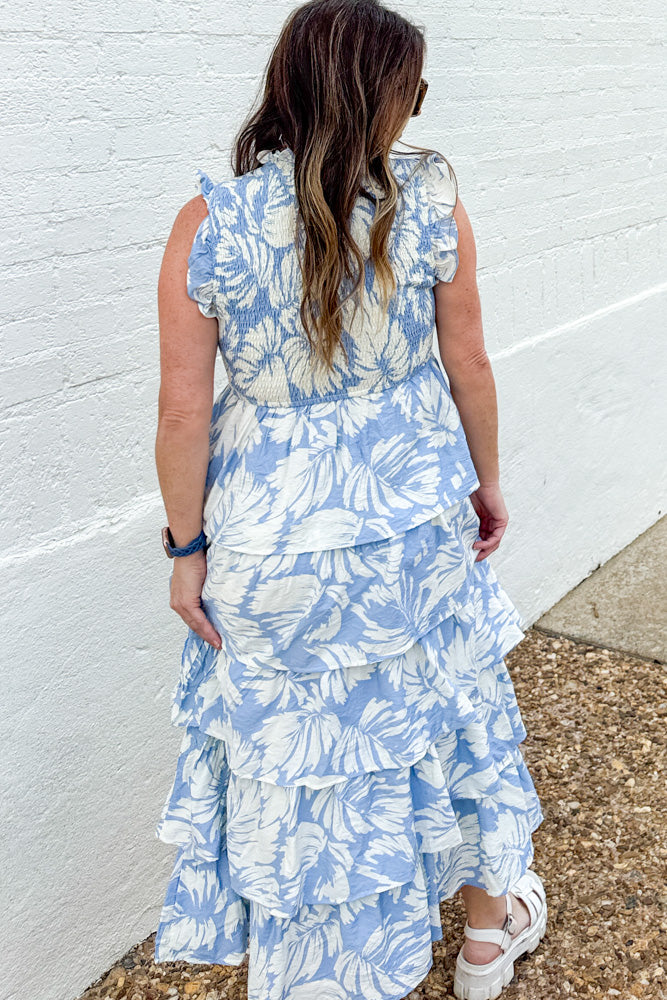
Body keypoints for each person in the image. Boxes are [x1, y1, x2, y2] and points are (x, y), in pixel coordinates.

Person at [152, 1, 547, 998]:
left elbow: (181, 415)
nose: (413, 112)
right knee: (451, 712)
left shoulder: (211, 221)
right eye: (409, 91)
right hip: (413, 518)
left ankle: (332, 974)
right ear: (377, 95)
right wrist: (485, 481)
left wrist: (185, 549)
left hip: (272, 544)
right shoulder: (429, 201)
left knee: (308, 768)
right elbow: (471, 363)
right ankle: (484, 945)